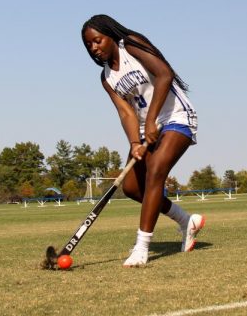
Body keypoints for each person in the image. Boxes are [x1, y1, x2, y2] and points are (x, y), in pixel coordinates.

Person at [81, 14, 205, 267]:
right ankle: (186, 220)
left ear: (110, 36)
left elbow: (164, 75)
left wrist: (151, 121)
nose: (94, 48)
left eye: (98, 41)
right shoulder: (106, 78)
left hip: (176, 116)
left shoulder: (132, 45)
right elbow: (125, 112)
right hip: (145, 127)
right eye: (89, 45)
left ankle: (142, 247)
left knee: (156, 171)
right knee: (132, 188)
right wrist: (135, 142)